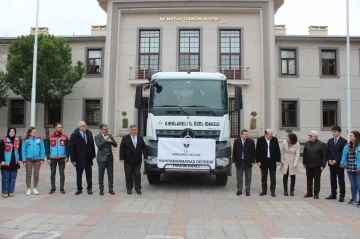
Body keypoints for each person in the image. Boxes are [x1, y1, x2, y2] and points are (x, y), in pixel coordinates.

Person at [119, 125, 147, 195]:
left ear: (136, 130)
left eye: (135, 130)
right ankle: (129, 188)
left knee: (137, 174)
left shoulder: (140, 138)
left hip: (137, 160)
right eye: (132, 130)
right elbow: (122, 148)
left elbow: (144, 148)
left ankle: (138, 188)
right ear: (130, 131)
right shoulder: (125, 138)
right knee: (128, 174)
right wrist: (121, 158)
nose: (134, 131)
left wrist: (145, 157)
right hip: (128, 160)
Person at [70, 121, 96, 195]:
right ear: (79, 127)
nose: (85, 127)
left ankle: (89, 188)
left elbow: (92, 145)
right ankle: (79, 188)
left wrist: (93, 155)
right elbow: (72, 148)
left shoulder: (89, 133)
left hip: (88, 158)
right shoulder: (74, 135)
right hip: (79, 159)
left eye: (85, 125)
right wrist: (73, 160)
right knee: (79, 174)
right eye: (83, 126)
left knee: (89, 174)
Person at [44, 122, 70, 194]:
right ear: (55, 128)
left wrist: (67, 156)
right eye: (59, 127)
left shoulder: (64, 136)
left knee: (62, 173)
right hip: (53, 158)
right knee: (52, 173)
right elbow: (47, 148)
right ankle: (53, 188)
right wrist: (48, 158)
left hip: (62, 157)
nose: (61, 128)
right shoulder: (50, 137)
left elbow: (68, 147)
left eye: (61, 127)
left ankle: (62, 188)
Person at [256, 129, 281, 197]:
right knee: (264, 176)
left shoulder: (274, 139)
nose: (271, 136)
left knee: (273, 177)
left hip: (272, 161)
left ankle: (273, 191)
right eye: (270, 134)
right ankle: (264, 191)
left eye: (272, 134)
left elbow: (277, 150)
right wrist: (258, 161)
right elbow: (257, 151)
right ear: (266, 134)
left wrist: (278, 160)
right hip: (263, 161)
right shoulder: (260, 140)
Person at [303, 131, 327, 199]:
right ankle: (309, 192)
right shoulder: (307, 143)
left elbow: (324, 155)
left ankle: (316, 194)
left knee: (316, 180)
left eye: (310, 136)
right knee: (309, 179)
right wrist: (304, 163)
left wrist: (323, 165)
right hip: (308, 164)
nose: (309, 137)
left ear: (315, 137)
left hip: (317, 165)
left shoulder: (321, 144)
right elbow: (305, 154)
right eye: (309, 135)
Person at [0, 128, 24, 198]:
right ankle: (5, 192)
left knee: (13, 178)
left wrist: (20, 159)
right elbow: (1, 152)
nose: (12, 133)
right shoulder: (4, 140)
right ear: (8, 132)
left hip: (14, 162)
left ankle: (11, 191)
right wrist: (2, 161)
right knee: (5, 178)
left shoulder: (17, 141)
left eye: (13, 131)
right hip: (6, 162)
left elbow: (19, 151)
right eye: (10, 131)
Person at [325, 126, 347, 202]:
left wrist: (336, 160)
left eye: (335, 131)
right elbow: (327, 151)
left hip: (339, 163)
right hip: (331, 163)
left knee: (341, 179)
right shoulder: (330, 141)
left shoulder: (343, 141)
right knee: (333, 179)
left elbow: (343, 153)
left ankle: (342, 195)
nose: (333, 133)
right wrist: (329, 159)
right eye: (332, 131)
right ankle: (333, 194)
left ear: (339, 132)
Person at [95, 123, 117, 195]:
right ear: (101, 129)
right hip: (101, 159)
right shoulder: (97, 136)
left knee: (110, 175)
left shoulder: (110, 135)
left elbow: (116, 145)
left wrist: (112, 141)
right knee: (101, 175)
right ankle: (101, 189)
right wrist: (104, 140)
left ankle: (111, 189)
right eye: (105, 129)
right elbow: (99, 145)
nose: (107, 131)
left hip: (109, 158)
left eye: (107, 129)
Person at [22, 127, 46, 195]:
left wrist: (42, 158)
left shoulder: (40, 139)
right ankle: (28, 188)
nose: (35, 133)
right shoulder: (25, 140)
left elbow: (42, 149)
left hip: (37, 159)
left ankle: (35, 188)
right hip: (28, 159)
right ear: (30, 133)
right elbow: (23, 150)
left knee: (36, 174)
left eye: (36, 131)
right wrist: (24, 160)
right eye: (34, 132)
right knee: (28, 174)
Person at [232, 129, 255, 196]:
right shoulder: (236, 141)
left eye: (247, 134)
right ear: (241, 135)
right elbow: (234, 151)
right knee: (239, 177)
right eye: (245, 134)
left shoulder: (251, 141)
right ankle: (239, 190)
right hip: (239, 161)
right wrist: (234, 160)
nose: (246, 135)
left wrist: (253, 161)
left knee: (248, 177)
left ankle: (247, 190)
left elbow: (253, 152)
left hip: (248, 162)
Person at [340, 131, 360, 206]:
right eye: (350, 136)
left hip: (358, 168)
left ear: (356, 137)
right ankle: (353, 198)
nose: (350, 137)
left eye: (351, 136)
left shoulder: (359, 146)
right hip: (349, 168)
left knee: (359, 184)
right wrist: (342, 163)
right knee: (353, 184)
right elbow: (343, 155)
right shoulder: (347, 146)